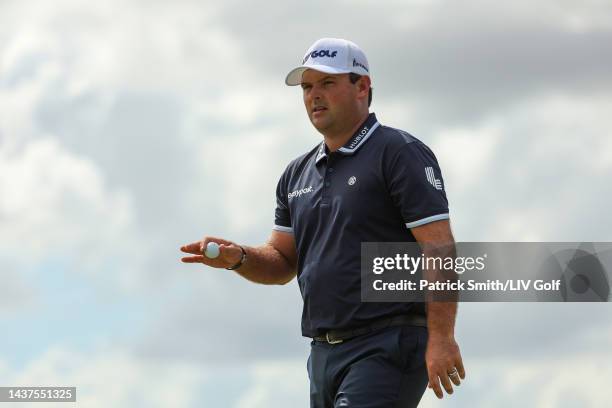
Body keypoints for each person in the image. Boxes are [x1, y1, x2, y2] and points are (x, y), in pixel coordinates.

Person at [180, 37, 465, 407]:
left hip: (387, 345)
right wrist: (239, 258)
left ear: (362, 87)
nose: (315, 95)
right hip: (323, 354)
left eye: (327, 83)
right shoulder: (295, 174)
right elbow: (282, 263)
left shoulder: (398, 153)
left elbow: (439, 246)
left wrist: (441, 338)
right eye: (307, 86)